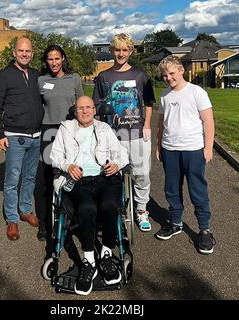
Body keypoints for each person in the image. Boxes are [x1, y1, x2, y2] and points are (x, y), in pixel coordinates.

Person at [50, 96, 129, 296]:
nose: (84, 111)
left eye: (88, 108)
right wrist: (68, 166)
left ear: (94, 110)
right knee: (87, 208)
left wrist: (116, 164)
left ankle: (106, 254)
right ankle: (89, 260)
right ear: (75, 112)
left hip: (105, 177)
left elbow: (122, 154)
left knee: (110, 205)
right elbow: (54, 156)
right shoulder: (65, 129)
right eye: (80, 108)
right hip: (78, 179)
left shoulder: (104, 128)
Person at [92, 33, 155, 232]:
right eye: (117, 50)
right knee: (113, 174)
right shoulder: (103, 77)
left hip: (136, 132)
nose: (121, 54)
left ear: (131, 51)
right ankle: (116, 209)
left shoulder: (140, 75)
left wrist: (147, 126)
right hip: (113, 135)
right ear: (112, 51)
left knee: (141, 173)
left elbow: (149, 103)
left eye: (124, 50)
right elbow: (97, 106)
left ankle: (141, 210)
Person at [155, 56, 216, 254]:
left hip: (193, 149)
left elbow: (208, 122)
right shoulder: (165, 95)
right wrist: (159, 146)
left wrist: (208, 148)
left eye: (172, 73)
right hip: (170, 149)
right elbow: (161, 124)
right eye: (165, 75)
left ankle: (204, 230)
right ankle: (175, 222)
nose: (168, 78)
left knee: (197, 189)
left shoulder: (196, 92)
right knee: (171, 188)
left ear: (181, 70)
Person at [0, 36, 43, 241]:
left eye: (28, 51)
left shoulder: (37, 75)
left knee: (30, 177)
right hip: (14, 137)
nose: (25, 54)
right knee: (12, 179)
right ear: (14, 52)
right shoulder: (2, 77)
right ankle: (12, 219)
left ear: (32, 53)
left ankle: (25, 210)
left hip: (36, 136)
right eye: (21, 51)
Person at [34, 44, 84, 242]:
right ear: (46, 62)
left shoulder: (75, 79)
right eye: (50, 59)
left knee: (74, 174)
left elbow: (82, 105)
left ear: (63, 58)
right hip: (49, 131)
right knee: (47, 177)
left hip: (71, 129)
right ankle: (46, 223)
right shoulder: (40, 81)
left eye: (57, 58)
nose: (54, 63)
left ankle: (74, 218)